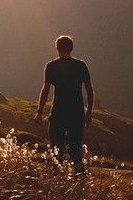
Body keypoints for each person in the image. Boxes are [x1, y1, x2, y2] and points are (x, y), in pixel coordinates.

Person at [34, 35, 94, 173]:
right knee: (75, 150)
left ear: (57, 48)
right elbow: (90, 91)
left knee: (56, 150)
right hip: (77, 114)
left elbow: (46, 90)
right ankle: (80, 183)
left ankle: (57, 182)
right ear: (71, 48)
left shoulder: (51, 66)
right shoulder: (81, 65)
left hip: (58, 113)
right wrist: (89, 113)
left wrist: (39, 112)